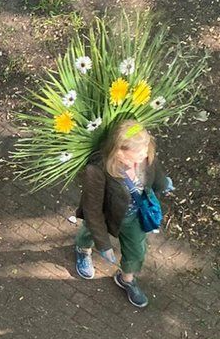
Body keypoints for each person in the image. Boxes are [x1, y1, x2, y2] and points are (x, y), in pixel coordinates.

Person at [74, 119, 173, 308]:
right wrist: (104, 245)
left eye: (145, 150)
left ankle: (126, 279)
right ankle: (82, 249)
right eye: (138, 153)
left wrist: (162, 183)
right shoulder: (97, 169)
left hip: (133, 214)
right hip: (104, 214)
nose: (145, 156)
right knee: (89, 232)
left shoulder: (145, 155)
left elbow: (155, 170)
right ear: (119, 152)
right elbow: (93, 211)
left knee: (137, 250)